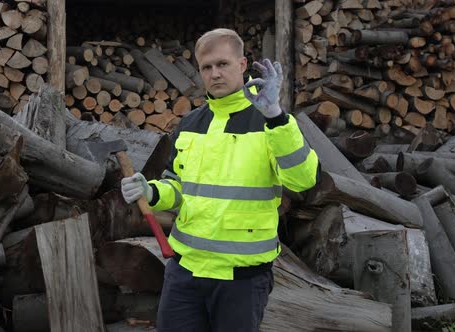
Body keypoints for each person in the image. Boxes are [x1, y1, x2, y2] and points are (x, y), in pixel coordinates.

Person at [121, 28, 320, 332]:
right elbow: (177, 185)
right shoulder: (190, 124)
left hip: (241, 280)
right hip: (184, 273)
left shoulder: (271, 122)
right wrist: (150, 190)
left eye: (223, 64)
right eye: (207, 67)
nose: (215, 74)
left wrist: (276, 117)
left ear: (242, 65)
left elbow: (303, 179)